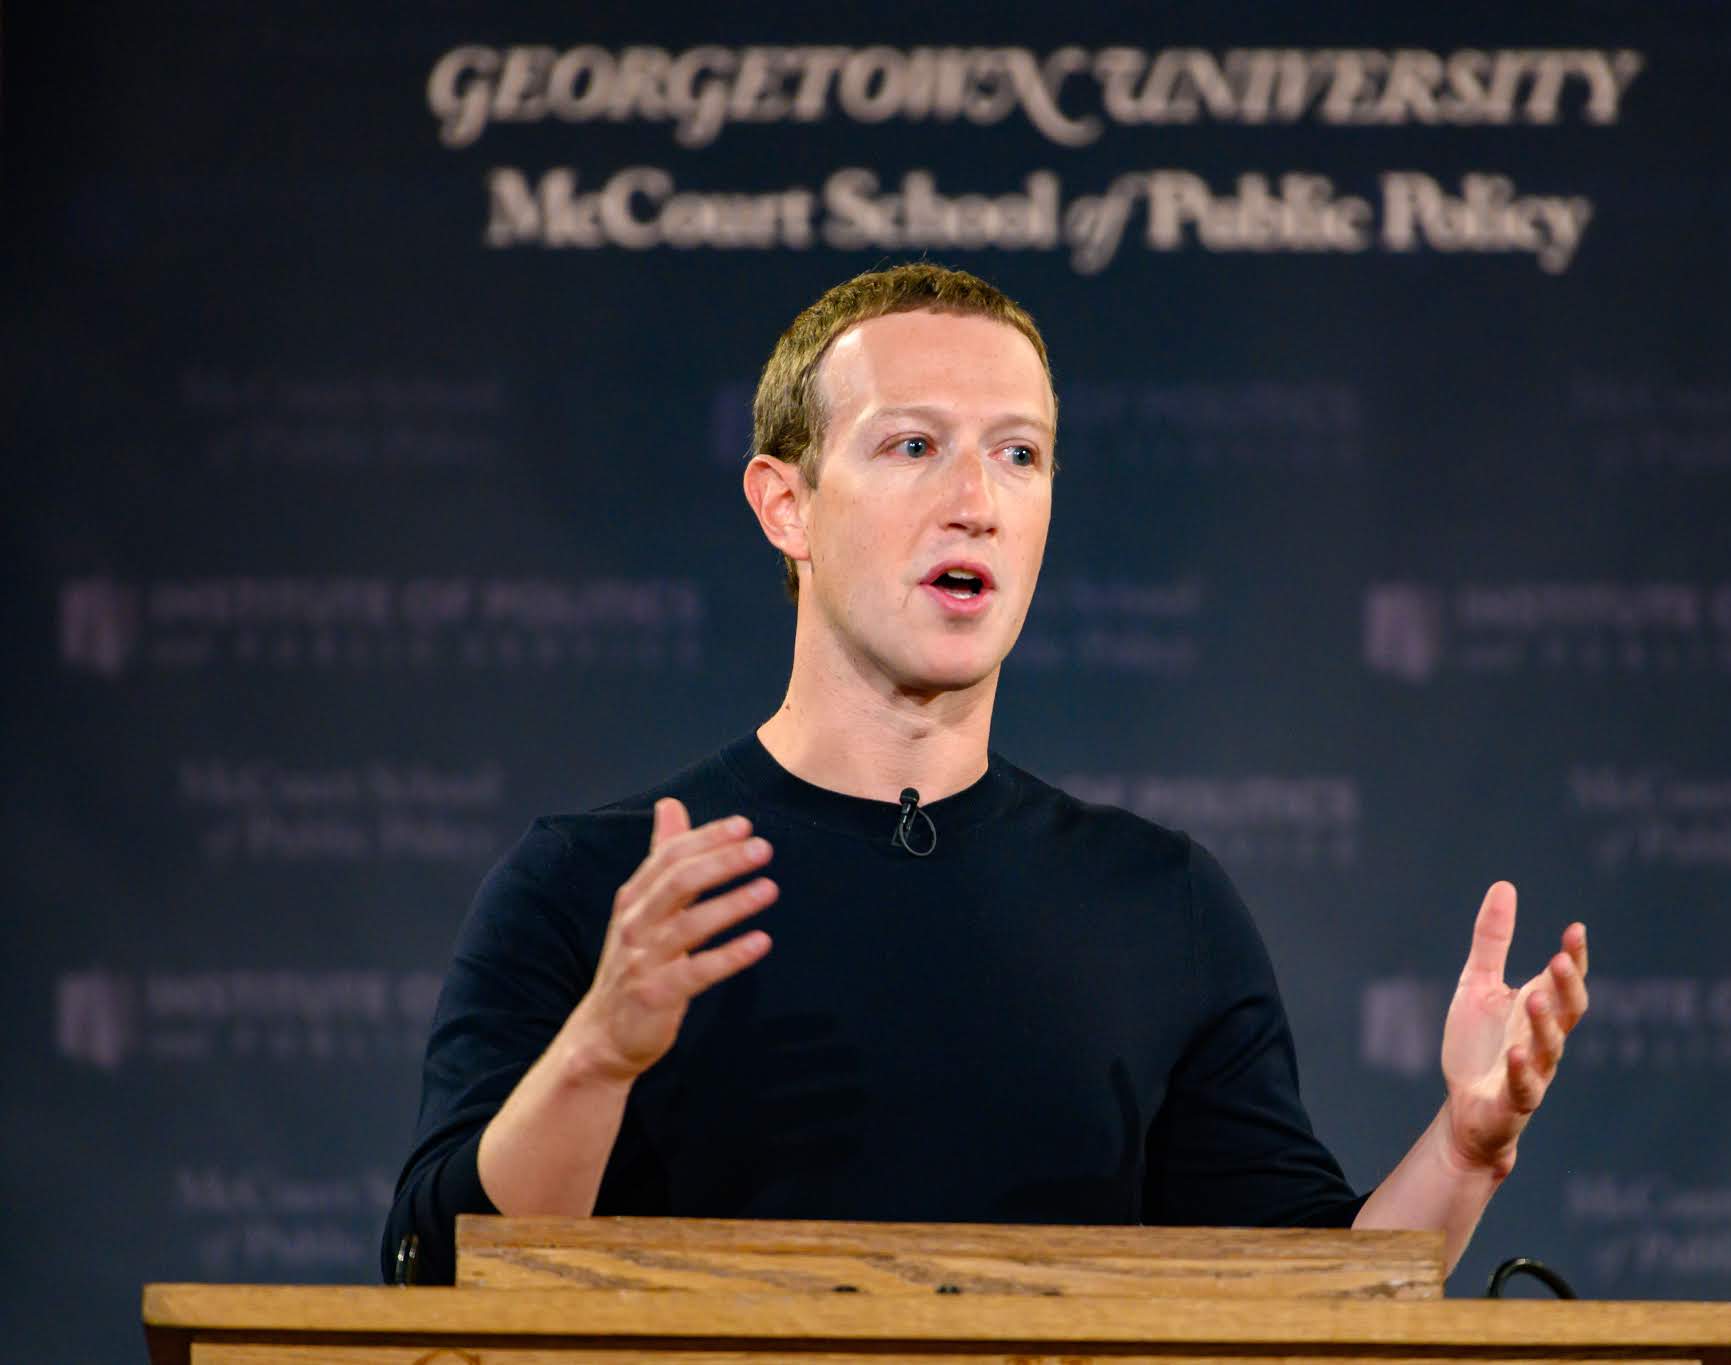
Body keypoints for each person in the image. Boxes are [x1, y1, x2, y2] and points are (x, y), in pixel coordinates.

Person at [383, 263, 1590, 1286]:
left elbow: (1310, 1302)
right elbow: (432, 1278)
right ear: (784, 505)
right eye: (913, 446)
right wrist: (596, 1053)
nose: (976, 504)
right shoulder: (598, 888)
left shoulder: (1156, 903)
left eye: (1018, 455)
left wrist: (1465, 1151)